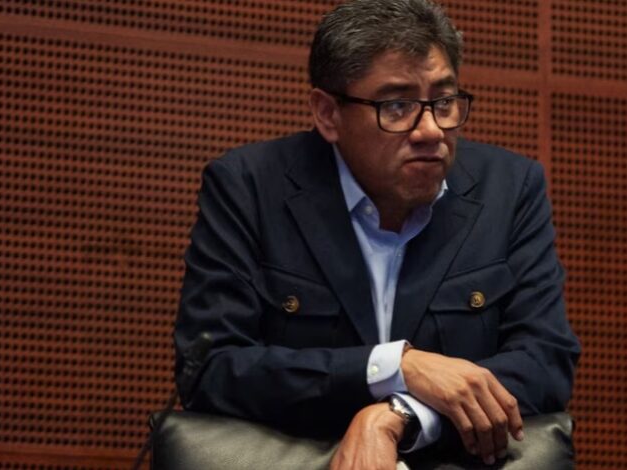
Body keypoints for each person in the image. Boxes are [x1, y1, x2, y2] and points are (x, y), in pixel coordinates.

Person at [174, 0, 580, 468]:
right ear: (328, 113)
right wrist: (394, 367)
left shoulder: (509, 189)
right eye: (397, 105)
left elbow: (545, 360)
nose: (430, 130)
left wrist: (398, 414)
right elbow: (210, 369)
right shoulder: (249, 188)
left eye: (444, 102)